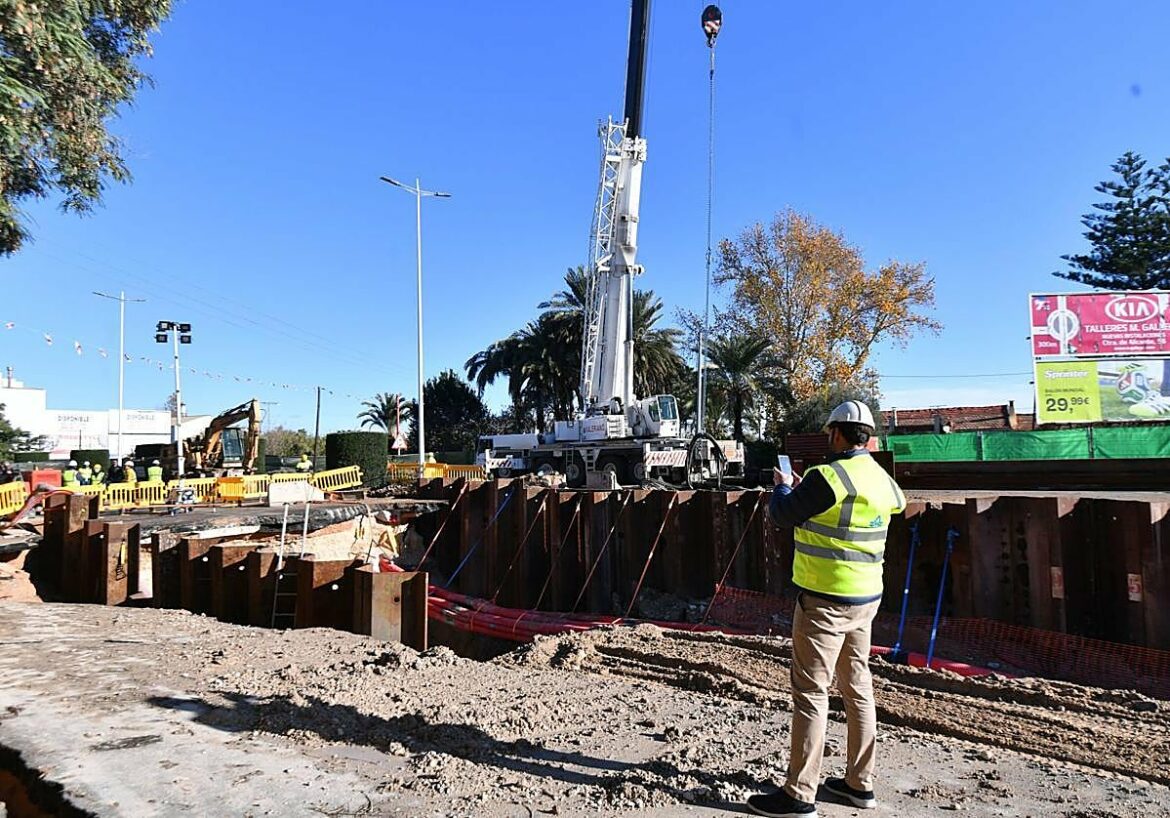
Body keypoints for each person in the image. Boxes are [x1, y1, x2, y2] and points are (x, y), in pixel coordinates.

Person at [747, 400, 906, 818]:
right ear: (868, 437)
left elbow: (782, 513)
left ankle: (799, 794)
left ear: (837, 434)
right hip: (867, 599)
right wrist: (807, 492)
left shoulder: (826, 477)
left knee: (811, 694)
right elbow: (868, 509)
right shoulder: (882, 480)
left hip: (823, 602)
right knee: (857, 688)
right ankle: (860, 785)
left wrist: (785, 485)